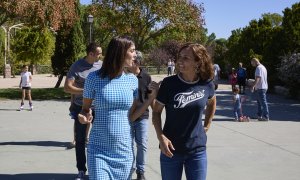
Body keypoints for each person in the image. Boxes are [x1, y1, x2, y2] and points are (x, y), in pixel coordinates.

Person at [78, 36, 159, 180]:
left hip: (124, 152)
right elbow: (85, 109)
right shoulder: (93, 78)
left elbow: (131, 117)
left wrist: (151, 98)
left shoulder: (132, 80)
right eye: (132, 50)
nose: (135, 54)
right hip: (98, 150)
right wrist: (84, 115)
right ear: (120, 52)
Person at [152, 43, 216, 180]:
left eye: (186, 58)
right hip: (170, 150)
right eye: (179, 57)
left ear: (198, 62)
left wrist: (207, 125)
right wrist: (160, 136)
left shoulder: (206, 84)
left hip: (197, 150)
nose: (180, 61)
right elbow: (156, 112)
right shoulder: (168, 84)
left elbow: (212, 102)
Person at [64, 42, 102, 180]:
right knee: (80, 140)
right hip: (81, 107)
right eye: (98, 53)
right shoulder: (77, 66)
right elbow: (67, 87)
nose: (100, 55)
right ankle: (81, 169)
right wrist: (86, 92)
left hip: (99, 107)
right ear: (91, 54)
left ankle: (98, 168)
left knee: (100, 138)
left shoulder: (102, 65)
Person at [127, 50, 153, 180]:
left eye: (133, 60)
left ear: (138, 62)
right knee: (129, 144)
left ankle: (140, 171)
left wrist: (156, 115)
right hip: (127, 116)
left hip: (142, 117)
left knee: (142, 143)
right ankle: (129, 169)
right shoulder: (124, 76)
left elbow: (150, 97)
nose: (130, 62)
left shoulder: (146, 77)